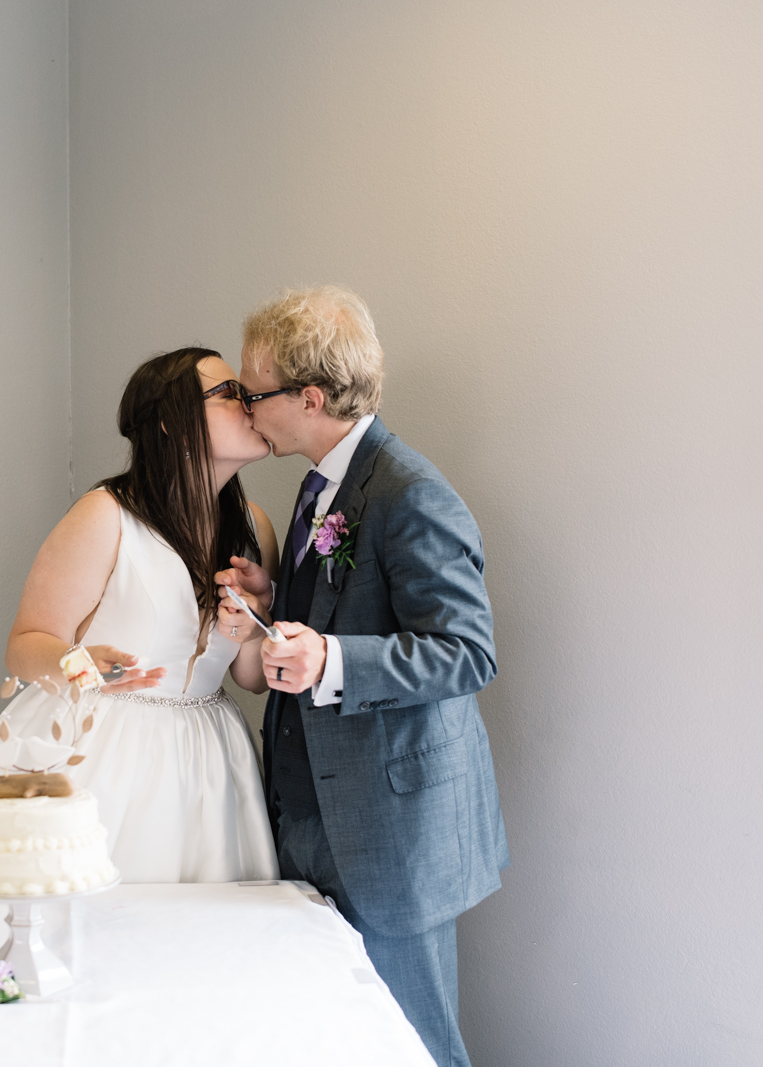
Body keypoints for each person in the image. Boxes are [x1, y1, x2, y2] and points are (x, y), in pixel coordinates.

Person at [216, 287, 507, 1067]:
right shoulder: (321, 485)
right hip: (311, 815)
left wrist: (331, 661)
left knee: (414, 1045)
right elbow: (343, 610)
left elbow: (467, 650)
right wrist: (278, 605)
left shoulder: (410, 494)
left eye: (254, 390)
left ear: (309, 397)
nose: (247, 405)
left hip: (390, 834)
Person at [0, 347, 281, 883]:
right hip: (104, 746)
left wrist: (253, 625)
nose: (248, 401)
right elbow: (25, 644)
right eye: (228, 393)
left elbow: (250, 678)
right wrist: (83, 665)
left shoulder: (256, 528)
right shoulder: (106, 515)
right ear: (172, 424)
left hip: (211, 759)